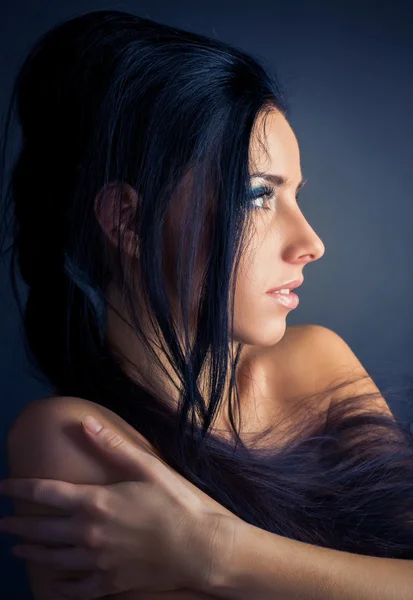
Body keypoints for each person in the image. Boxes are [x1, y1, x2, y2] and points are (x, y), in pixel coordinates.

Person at [0, 8, 413, 600]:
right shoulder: (77, 438)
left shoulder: (317, 361)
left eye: (294, 194)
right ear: (128, 219)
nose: (311, 243)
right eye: (257, 196)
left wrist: (217, 552)